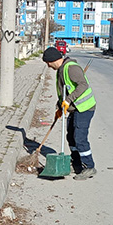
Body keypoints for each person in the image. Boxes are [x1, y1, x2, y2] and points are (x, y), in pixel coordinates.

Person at [41, 47, 97, 180]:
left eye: (48, 63)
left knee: (79, 137)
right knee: (71, 137)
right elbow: (64, 91)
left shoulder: (71, 68)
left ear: (52, 60)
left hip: (84, 108)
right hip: (74, 108)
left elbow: (83, 85)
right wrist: (60, 106)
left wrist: (68, 100)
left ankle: (89, 166)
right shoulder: (61, 70)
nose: (48, 66)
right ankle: (76, 163)